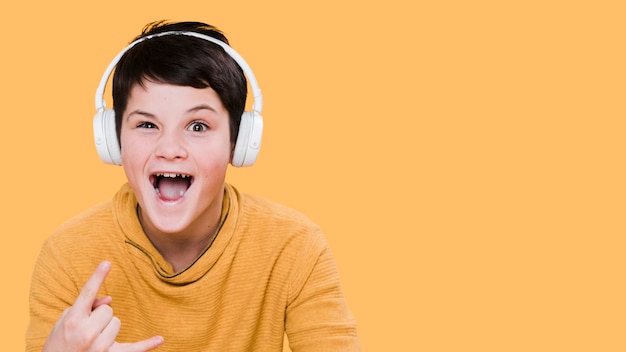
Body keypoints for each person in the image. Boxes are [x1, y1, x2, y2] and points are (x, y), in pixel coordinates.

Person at [26, 20, 361, 351]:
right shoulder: (66, 255)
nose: (169, 149)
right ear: (113, 142)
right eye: (146, 124)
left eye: (198, 126)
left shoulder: (295, 247)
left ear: (238, 143)